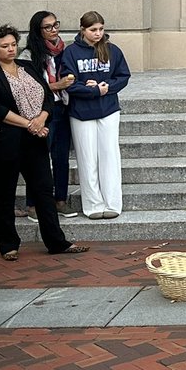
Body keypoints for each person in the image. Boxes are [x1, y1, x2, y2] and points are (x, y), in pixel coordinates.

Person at [0, 26, 89, 261]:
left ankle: (56, 241)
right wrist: (28, 123)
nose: (10, 49)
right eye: (4, 46)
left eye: (13, 45)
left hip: (36, 139)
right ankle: (8, 244)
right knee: (5, 193)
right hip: (5, 141)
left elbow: (47, 96)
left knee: (44, 190)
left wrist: (41, 118)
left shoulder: (28, 66)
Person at [60, 12, 129, 220]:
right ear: (83, 30)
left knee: (109, 155)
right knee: (87, 158)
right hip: (81, 113)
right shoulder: (71, 52)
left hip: (108, 109)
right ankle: (92, 205)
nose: (98, 33)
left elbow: (123, 76)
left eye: (100, 29)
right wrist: (92, 90)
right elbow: (69, 81)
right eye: (93, 30)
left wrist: (107, 88)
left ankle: (113, 203)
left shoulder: (112, 50)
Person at [19, 12, 76, 218]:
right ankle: (33, 204)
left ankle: (60, 199)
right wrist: (55, 86)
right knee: (38, 158)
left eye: (56, 25)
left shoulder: (65, 51)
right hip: (41, 111)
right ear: (38, 30)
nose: (54, 30)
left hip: (63, 108)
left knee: (61, 157)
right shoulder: (28, 55)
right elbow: (28, 87)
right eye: (48, 27)